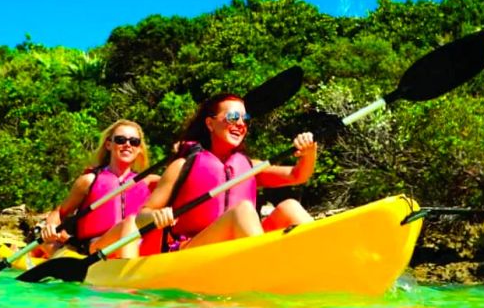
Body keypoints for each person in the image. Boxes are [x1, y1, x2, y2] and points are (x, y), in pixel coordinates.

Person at [132, 92, 317, 254]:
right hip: (192, 250)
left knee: (290, 207)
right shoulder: (182, 166)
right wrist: (156, 216)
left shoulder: (250, 166)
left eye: (245, 119)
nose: (240, 124)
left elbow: (297, 175)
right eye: (233, 116)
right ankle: (267, 269)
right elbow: (141, 217)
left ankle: (325, 259)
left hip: (241, 247)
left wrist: (309, 153)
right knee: (242, 211)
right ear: (210, 124)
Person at [39, 119, 160, 258]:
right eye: (121, 140)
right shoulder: (89, 180)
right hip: (97, 246)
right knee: (130, 222)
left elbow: (180, 180)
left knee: (139, 225)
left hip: (137, 245)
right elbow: (60, 212)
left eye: (134, 142)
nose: (127, 145)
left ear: (139, 149)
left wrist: (182, 152)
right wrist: (51, 226)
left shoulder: (149, 182)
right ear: (109, 144)